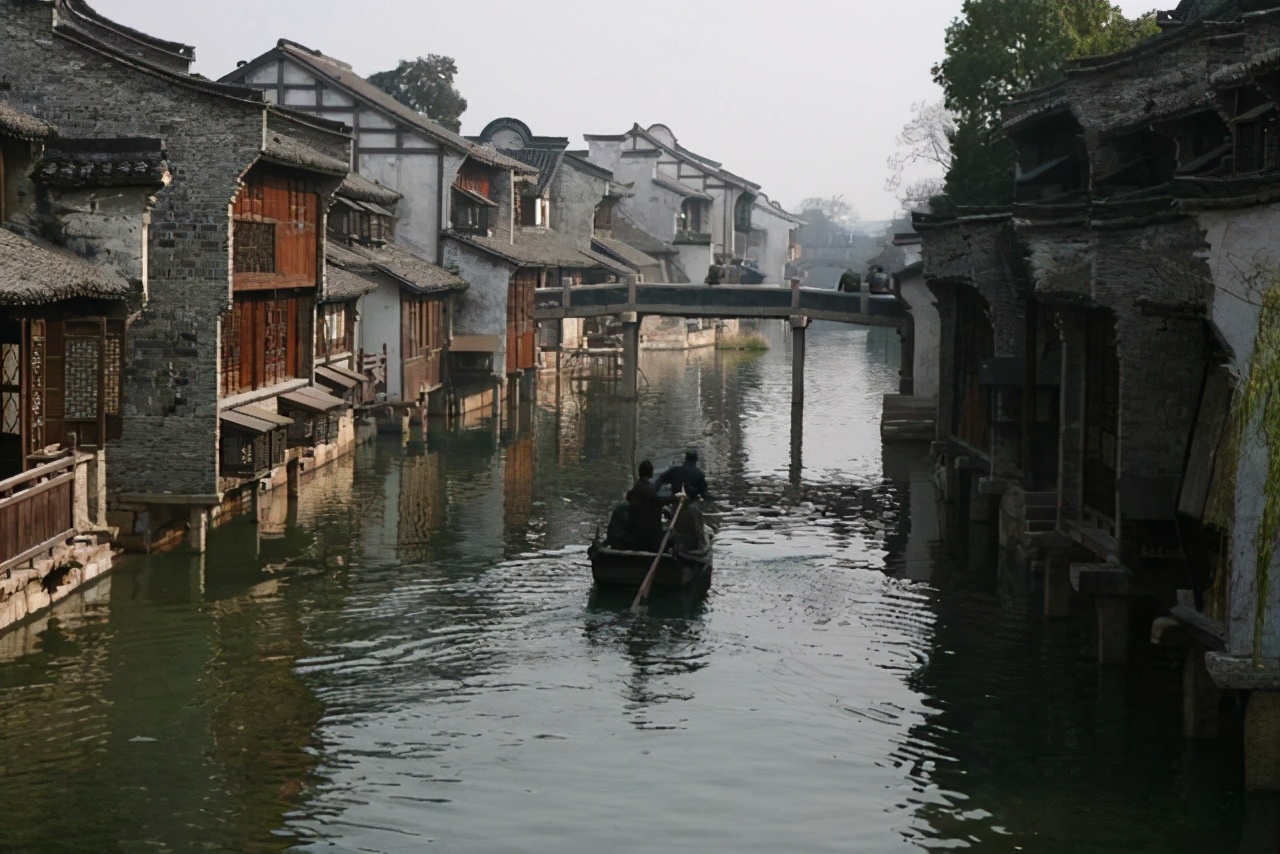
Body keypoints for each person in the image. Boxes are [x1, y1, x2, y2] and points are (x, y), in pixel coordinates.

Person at [625, 459, 665, 551]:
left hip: (635, 538)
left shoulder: (632, 492)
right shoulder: (653, 491)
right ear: (651, 473)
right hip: (652, 539)